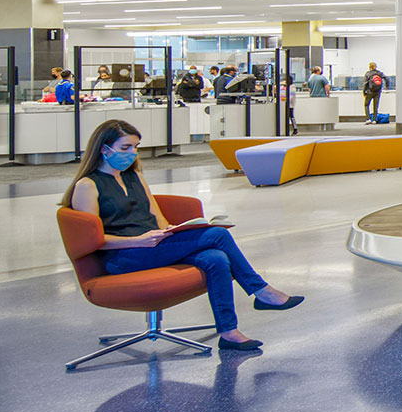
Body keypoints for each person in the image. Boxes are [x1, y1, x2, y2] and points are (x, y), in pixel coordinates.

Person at [62, 120, 303, 351]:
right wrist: (138, 241)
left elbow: (156, 217)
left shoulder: (134, 176)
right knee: (218, 235)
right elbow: (92, 240)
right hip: (124, 255)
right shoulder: (88, 186)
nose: (132, 153)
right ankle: (261, 291)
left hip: (152, 245)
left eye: (135, 148)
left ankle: (229, 333)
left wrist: (171, 232)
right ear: (104, 149)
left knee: (216, 258)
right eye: (125, 148)